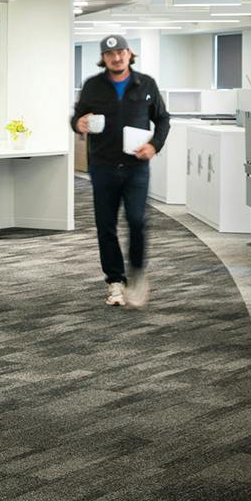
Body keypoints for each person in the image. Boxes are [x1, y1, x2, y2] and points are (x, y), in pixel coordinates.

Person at [72, 33, 171, 308]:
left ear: (129, 54)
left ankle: (137, 273)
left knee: (137, 221)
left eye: (121, 53)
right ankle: (115, 280)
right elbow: (76, 118)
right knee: (106, 225)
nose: (116, 58)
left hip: (136, 167)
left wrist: (154, 145)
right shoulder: (93, 86)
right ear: (104, 58)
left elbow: (162, 120)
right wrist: (77, 124)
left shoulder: (146, 84)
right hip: (102, 166)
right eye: (110, 54)